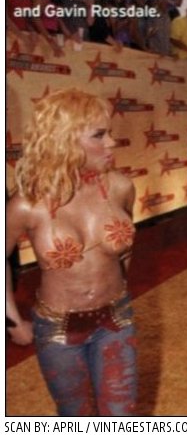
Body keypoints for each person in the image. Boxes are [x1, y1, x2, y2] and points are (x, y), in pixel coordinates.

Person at [6, 88, 137, 416]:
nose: (111, 142)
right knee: (74, 416)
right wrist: (10, 320)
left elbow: (125, 256)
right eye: (99, 135)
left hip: (116, 318)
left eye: (109, 133)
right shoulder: (27, 205)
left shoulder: (121, 187)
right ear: (64, 140)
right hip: (57, 329)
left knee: (122, 415)